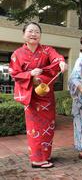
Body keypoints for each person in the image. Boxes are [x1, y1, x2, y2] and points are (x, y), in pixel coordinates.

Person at [9, 22, 67, 168]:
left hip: (46, 95)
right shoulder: (17, 54)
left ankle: (45, 155)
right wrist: (30, 74)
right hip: (31, 96)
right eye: (30, 31)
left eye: (36, 31)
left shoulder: (47, 50)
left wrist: (61, 62)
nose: (33, 34)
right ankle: (37, 159)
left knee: (49, 125)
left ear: (40, 35)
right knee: (34, 128)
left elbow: (56, 57)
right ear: (24, 35)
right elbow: (14, 74)